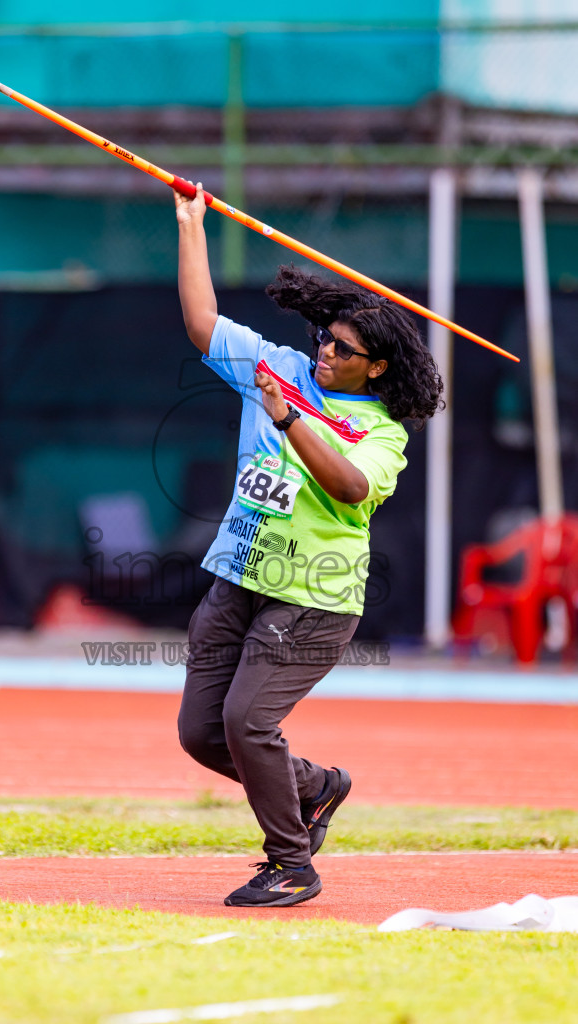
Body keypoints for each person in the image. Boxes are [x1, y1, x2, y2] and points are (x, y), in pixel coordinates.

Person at [174, 183, 443, 908]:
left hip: (313, 599)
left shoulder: (382, 432)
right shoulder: (279, 369)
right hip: (236, 578)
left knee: (246, 722)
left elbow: (353, 488)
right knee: (201, 734)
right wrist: (189, 224)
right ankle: (316, 787)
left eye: (341, 347)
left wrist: (293, 423)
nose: (322, 351)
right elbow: (202, 322)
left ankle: (291, 864)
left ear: (375, 366)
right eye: (322, 337)